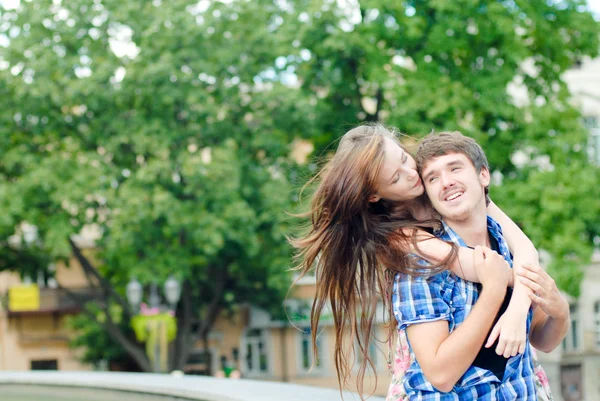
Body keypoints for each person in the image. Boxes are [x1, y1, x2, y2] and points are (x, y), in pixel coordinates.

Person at [289, 124, 554, 399]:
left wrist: (519, 307)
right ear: (374, 195)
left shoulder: (443, 184)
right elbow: (476, 264)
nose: (411, 174)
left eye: (405, 159)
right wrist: (520, 282)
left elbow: (524, 247)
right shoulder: (399, 236)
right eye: (395, 179)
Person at [390, 131, 569, 399]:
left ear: (483, 175)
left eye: (455, 168)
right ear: (428, 194)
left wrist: (560, 313)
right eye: (433, 178)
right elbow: (440, 375)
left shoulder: (510, 248)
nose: (447, 182)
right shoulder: (420, 265)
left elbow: (541, 339)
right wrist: (493, 291)